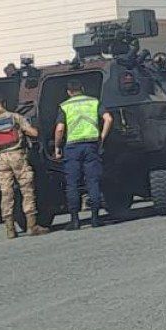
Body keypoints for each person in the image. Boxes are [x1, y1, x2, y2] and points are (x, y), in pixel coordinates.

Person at [0, 93, 49, 238]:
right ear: (4, 104)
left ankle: (10, 229)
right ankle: (32, 225)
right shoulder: (15, 117)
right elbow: (33, 133)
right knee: (27, 189)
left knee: (6, 192)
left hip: (2, 159)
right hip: (18, 156)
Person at [53, 80, 113, 229]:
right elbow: (108, 119)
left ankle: (75, 220)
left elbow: (60, 129)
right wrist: (102, 137)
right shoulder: (93, 102)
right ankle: (95, 219)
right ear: (83, 89)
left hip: (72, 147)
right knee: (93, 181)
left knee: (72, 184)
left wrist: (57, 147)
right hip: (91, 145)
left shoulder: (64, 106)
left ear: (68, 92)